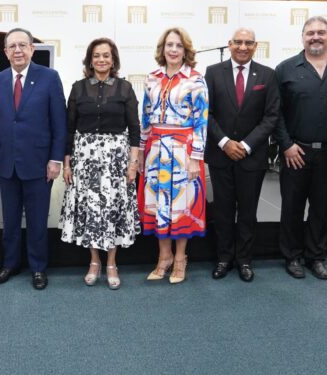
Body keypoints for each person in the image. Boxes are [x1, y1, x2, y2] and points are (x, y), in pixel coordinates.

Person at [274, 16, 327, 280]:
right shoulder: (286, 69)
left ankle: (316, 256)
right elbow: (274, 113)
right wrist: (286, 145)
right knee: (292, 207)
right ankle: (291, 257)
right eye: (310, 32)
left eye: (321, 32)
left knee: (323, 208)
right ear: (302, 37)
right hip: (295, 152)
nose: (315, 37)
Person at [0, 28, 67, 290]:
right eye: (13, 46)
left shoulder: (49, 77)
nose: (18, 50)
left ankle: (38, 268)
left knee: (36, 219)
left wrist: (56, 159)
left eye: (23, 45)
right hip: (7, 162)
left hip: (40, 163)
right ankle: (9, 264)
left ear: (32, 48)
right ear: (6, 52)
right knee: (9, 219)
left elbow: (59, 122)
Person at [59, 38, 141, 290]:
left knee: (114, 209)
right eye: (96, 55)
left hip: (116, 159)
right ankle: (94, 261)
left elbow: (135, 129)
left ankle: (112, 263)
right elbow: (69, 129)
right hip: (85, 159)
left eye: (106, 55)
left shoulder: (125, 88)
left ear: (113, 59)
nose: (101, 60)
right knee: (92, 211)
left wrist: (132, 163)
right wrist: (67, 163)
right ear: (90, 60)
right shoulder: (78, 88)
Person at [204, 27, 280, 283]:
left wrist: (246, 145)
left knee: (247, 211)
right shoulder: (213, 73)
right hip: (220, 155)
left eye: (248, 43)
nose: (243, 47)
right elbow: (207, 113)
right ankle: (224, 258)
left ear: (255, 46)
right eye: (238, 42)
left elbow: (271, 117)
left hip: (252, 156)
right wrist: (225, 142)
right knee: (223, 211)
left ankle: (245, 260)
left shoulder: (268, 76)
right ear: (230, 44)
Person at [139, 27, 208, 284]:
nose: (173, 50)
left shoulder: (195, 79)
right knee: (158, 203)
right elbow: (145, 117)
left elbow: (202, 121)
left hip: (183, 149)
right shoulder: (152, 78)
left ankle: (180, 258)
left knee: (181, 205)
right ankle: (163, 257)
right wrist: (139, 153)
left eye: (178, 46)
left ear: (186, 50)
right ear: (162, 49)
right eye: (169, 45)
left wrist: (195, 158)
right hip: (155, 148)